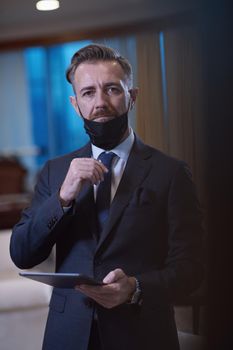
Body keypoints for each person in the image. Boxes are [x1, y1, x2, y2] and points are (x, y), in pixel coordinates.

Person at [10, 44, 203, 350]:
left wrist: (135, 287)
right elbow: (22, 253)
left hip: (142, 336)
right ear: (75, 104)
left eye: (111, 89)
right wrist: (63, 196)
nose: (100, 102)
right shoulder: (55, 171)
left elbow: (193, 269)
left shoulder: (171, 173)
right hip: (67, 336)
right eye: (88, 93)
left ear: (132, 96)